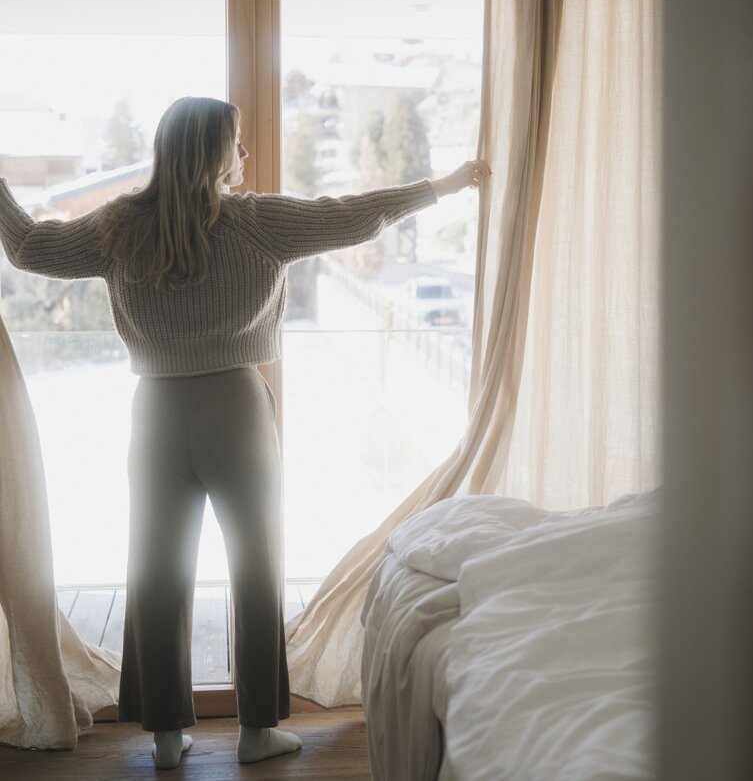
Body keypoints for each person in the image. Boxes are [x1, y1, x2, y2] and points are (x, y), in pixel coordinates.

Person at [0, 96, 489, 769]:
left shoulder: (118, 227)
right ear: (214, 153)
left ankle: (167, 739)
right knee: (256, 566)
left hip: (156, 415)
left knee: (157, 567)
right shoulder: (259, 222)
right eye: (237, 142)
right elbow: (357, 215)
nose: (245, 155)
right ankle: (258, 731)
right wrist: (444, 185)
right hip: (236, 409)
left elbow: (26, 247)